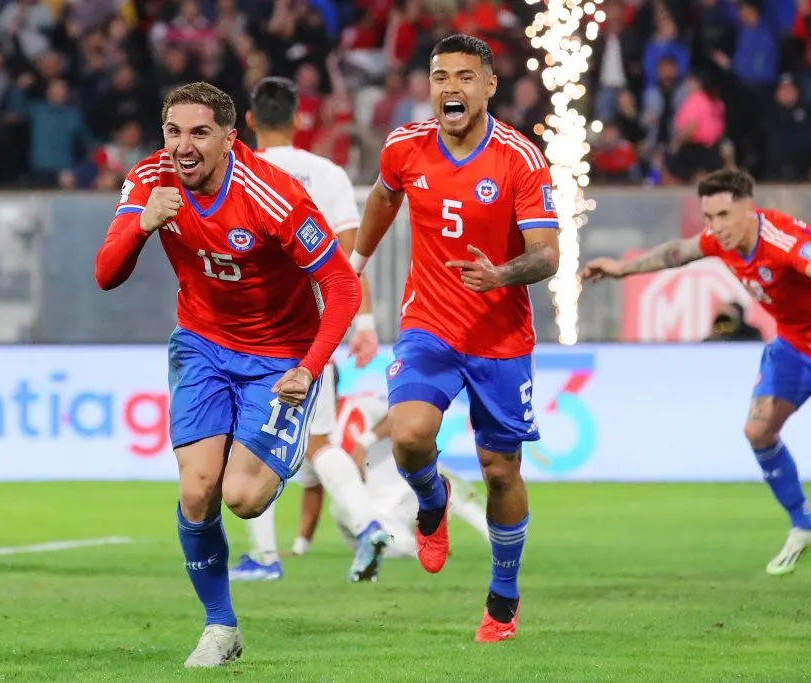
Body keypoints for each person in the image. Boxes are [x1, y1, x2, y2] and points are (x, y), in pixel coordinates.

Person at [94, 82, 361, 668]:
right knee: (196, 490)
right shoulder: (149, 180)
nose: (183, 146)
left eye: (199, 133)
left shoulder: (274, 194)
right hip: (202, 345)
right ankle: (220, 626)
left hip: (279, 358)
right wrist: (142, 225)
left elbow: (342, 285)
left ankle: (283, 447)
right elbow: (106, 274)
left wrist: (310, 367)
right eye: (173, 132)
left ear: (229, 138)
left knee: (242, 498)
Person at [351, 34, 561, 642]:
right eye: (441, 76)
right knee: (409, 435)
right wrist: (357, 261)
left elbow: (547, 254)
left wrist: (500, 274)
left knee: (500, 471)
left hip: (501, 338)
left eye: (465, 77)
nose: (451, 87)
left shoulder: (520, 159)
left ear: (489, 86)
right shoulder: (405, 146)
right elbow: (384, 196)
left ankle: (504, 596)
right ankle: (432, 500)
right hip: (430, 325)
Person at [581, 168, 811, 576]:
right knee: (758, 430)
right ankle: (805, 524)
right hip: (793, 347)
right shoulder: (720, 241)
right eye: (708, 217)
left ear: (748, 209)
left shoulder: (781, 238)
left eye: (723, 215)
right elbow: (677, 252)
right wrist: (621, 268)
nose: (715, 227)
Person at [228, 75, 390, 584]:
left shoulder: (236, 170)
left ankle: (264, 557)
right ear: (298, 119)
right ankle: (367, 525)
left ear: (249, 121)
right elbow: (351, 256)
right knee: (318, 443)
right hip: (316, 326)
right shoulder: (328, 173)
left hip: (250, 328)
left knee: (244, 441)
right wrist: (364, 323)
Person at [294, 380, 491, 559]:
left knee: (438, 480)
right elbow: (312, 489)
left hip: (409, 492)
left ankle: (491, 533)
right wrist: (300, 546)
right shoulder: (308, 436)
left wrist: (365, 441)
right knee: (340, 510)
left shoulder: (361, 405)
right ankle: (414, 550)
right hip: (380, 511)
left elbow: (400, 416)